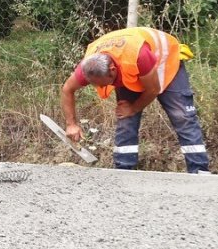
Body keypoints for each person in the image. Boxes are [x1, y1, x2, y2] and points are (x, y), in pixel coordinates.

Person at [59, 26, 209, 174]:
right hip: (132, 70)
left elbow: (153, 89)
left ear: (112, 70)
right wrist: (71, 124)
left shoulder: (138, 56)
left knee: (182, 116)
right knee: (125, 118)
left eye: (103, 83)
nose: (102, 87)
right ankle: (123, 172)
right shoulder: (88, 66)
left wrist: (134, 108)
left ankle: (199, 172)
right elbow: (67, 89)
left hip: (166, 62)